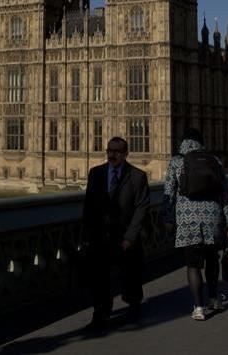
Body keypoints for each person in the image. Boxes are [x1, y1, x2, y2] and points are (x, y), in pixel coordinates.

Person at [163, 129, 228, 321]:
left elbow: (168, 193)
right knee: (212, 260)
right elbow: (224, 195)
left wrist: (168, 219)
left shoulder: (176, 162)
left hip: (188, 221)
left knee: (193, 265)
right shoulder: (215, 161)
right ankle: (214, 298)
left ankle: (198, 307)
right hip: (213, 219)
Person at [82, 136, 150, 331]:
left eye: (117, 151)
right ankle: (101, 312)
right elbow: (89, 206)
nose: (112, 154)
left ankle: (134, 305)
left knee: (131, 274)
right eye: (109, 151)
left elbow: (141, 208)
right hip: (101, 236)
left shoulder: (138, 176)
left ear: (126, 153)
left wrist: (130, 237)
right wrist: (88, 233)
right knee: (100, 277)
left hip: (125, 235)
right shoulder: (96, 173)